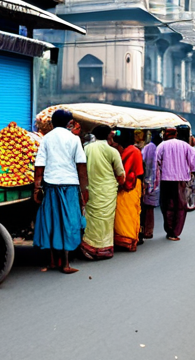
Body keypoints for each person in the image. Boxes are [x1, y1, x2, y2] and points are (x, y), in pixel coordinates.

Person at [32, 109, 88, 274]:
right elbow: (81, 166)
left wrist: (37, 188)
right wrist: (85, 189)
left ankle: (51, 262)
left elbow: (39, 165)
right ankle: (65, 263)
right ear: (68, 123)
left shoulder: (46, 139)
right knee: (68, 223)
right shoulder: (74, 139)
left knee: (51, 221)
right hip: (70, 185)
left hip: (50, 185)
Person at [80, 124, 125, 260]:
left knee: (92, 217)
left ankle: (89, 246)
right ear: (108, 135)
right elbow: (121, 175)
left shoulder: (86, 148)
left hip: (91, 188)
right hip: (108, 190)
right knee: (106, 219)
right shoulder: (112, 151)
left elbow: (81, 169)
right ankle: (104, 248)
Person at [155, 126, 195, 241]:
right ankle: (175, 232)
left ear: (166, 134)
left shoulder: (161, 146)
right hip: (181, 181)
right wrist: (194, 175)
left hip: (166, 180)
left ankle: (169, 229)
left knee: (166, 206)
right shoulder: (186, 146)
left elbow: (156, 163)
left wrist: (155, 181)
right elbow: (194, 164)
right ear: (176, 134)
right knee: (180, 206)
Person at [112, 129, 144, 252]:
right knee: (131, 211)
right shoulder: (133, 150)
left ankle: (127, 239)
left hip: (129, 183)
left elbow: (123, 169)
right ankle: (130, 239)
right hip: (135, 184)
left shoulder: (129, 151)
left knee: (125, 212)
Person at [141, 130, 162, 240]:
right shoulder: (159, 147)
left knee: (146, 207)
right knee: (150, 208)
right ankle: (149, 231)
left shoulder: (148, 147)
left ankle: (146, 230)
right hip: (156, 182)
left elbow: (143, 161)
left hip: (147, 180)